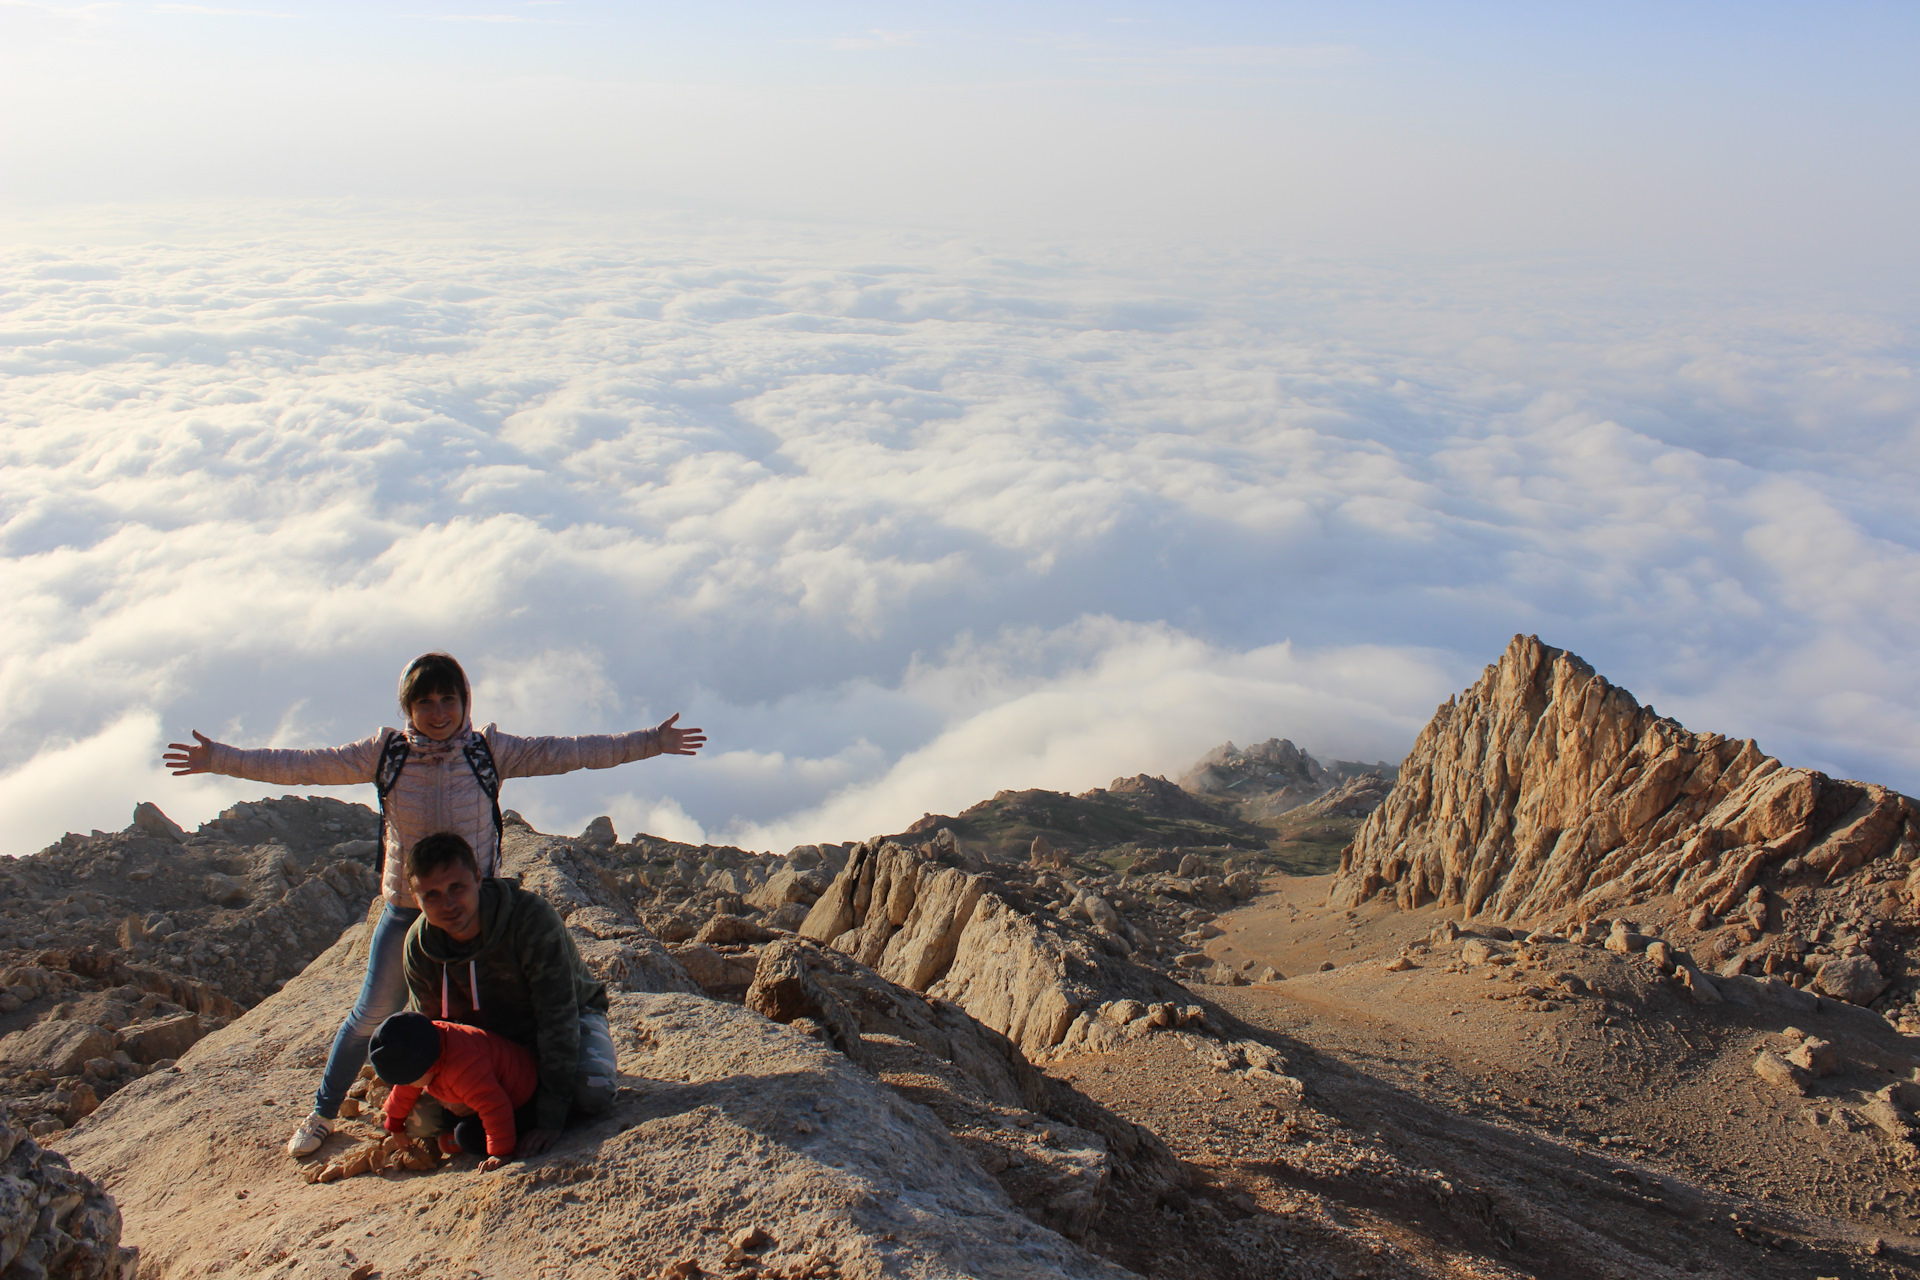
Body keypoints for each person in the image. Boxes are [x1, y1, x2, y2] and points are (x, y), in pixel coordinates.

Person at [161, 651, 704, 1158]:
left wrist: (652, 740)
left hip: (481, 909)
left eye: (450, 700)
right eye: (426, 702)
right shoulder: (386, 753)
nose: (438, 712)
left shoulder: (489, 750)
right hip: (408, 908)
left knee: (483, 1015)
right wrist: (220, 759)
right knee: (373, 1013)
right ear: (408, 708)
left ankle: (511, 1087)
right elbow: (302, 764)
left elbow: (574, 751)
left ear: (465, 702)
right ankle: (324, 1112)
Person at [399, 832, 614, 1157]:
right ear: (416, 899)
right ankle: (504, 1108)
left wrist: (550, 1120)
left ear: (478, 877)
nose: (448, 904)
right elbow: (431, 1033)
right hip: (484, 1044)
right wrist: (447, 1089)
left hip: (562, 1021)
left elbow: (558, 1017)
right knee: (420, 1122)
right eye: (431, 895)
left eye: (457, 887)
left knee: (593, 1092)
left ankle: (516, 1110)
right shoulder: (420, 948)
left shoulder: (530, 920)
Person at [369, 1010, 537, 1172]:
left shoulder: (462, 1065)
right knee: (449, 1117)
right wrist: (395, 1124)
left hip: (519, 1099)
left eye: (410, 1081)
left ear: (426, 1067)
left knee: (468, 1137)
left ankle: (455, 1143)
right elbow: (404, 1090)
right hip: (482, 1091)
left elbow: (495, 1107)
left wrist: (500, 1153)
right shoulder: (425, 1042)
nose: (409, 1085)